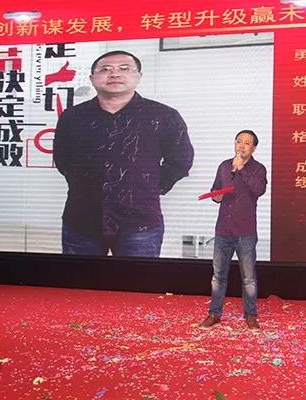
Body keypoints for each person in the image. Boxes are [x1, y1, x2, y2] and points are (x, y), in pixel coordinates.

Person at [53, 50, 194, 257]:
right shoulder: (73, 117)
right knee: (79, 276)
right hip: (82, 220)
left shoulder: (163, 115)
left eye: (124, 68)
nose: (114, 74)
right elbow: (63, 159)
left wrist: (148, 187)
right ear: (92, 78)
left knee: (137, 277)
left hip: (140, 223)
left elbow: (180, 160)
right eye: (105, 69)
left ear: (139, 76)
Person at [199, 130, 267, 330]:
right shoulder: (223, 166)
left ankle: (251, 316)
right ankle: (214, 314)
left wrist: (241, 169)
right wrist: (216, 196)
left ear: (253, 148)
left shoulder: (259, 169)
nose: (241, 146)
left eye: (247, 143)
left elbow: (259, 190)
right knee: (218, 276)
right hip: (223, 230)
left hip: (245, 231)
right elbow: (215, 189)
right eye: (239, 141)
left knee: (248, 278)